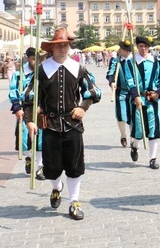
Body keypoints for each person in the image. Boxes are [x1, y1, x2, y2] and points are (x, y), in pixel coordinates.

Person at [24, 28, 102, 220]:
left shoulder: (78, 68)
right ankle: (57, 187)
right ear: (52, 48)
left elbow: (94, 92)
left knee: (74, 166)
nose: (62, 49)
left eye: (65, 45)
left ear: (69, 46)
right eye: (58, 45)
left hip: (72, 124)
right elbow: (29, 97)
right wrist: (30, 120)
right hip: (50, 125)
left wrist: (83, 107)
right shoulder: (42, 70)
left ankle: (74, 201)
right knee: (52, 168)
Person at [130, 36, 160, 169]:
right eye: (141, 46)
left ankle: (153, 158)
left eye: (146, 46)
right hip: (138, 100)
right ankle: (134, 146)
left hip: (152, 100)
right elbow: (130, 80)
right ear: (137, 47)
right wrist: (135, 95)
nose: (143, 48)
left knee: (153, 129)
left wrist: (158, 92)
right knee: (138, 129)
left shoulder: (156, 62)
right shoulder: (131, 62)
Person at [9, 47, 45, 180]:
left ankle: (41, 167)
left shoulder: (43, 72)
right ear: (28, 59)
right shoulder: (19, 74)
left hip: (40, 108)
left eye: (39, 59)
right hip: (25, 108)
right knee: (24, 138)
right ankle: (29, 157)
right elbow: (13, 91)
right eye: (34, 59)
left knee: (40, 137)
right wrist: (17, 107)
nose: (37, 62)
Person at [106, 40, 136, 148]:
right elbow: (110, 73)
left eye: (127, 50)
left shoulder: (134, 60)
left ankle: (133, 138)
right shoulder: (116, 61)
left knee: (133, 116)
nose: (125, 52)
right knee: (121, 115)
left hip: (133, 93)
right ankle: (123, 135)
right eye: (123, 50)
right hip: (121, 92)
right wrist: (112, 81)